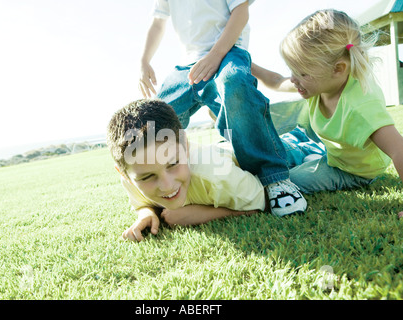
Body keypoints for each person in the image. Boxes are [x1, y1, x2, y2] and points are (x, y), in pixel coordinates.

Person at [138, 0, 306, 217]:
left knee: (233, 82)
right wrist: (144, 61)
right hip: (190, 65)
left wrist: (216, 54)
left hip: (228, 52)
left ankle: (276, 179)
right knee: (154, 115)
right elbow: (158, 22)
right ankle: (165, 186)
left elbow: (241, 11)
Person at [278, 9, 403, 194]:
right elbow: (275, 82)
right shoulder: (317, 84)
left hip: (356, 172)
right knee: (269, 159)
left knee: (286, 182)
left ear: (338, 69)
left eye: (302, 73)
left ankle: (310, 156)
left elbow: (398, 149)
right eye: (292, 70)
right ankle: (310, 153)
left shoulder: (359, 107)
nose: (293, 79)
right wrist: (246, 64)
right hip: (334, 157)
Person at [107, 99, 268, 242]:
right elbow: (142, 203)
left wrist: (201, 214)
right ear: (124, 175)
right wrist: (147, 213)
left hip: (279, 151)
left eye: (173, 164)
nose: (167, 185)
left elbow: (264, 202)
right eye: (148, 177)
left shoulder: (215, 175)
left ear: (186, 145)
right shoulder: (132, 176)